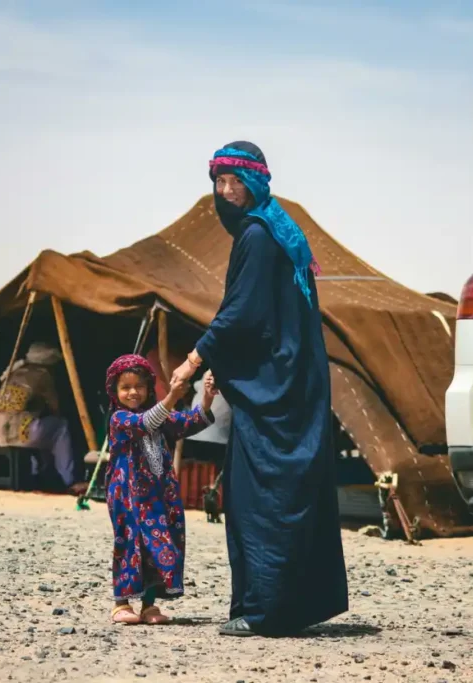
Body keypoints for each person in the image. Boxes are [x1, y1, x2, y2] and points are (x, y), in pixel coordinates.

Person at [171, 141, 348, 637]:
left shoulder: (256, 234)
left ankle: (267, 611)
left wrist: (192, 361)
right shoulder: (279, 226)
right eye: (219, 183)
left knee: (260, 495)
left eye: (236, 182)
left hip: (278, 389)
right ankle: (291, 606)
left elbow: (241, 314)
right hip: (294, 379)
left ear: (257, 182)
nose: (227, 193)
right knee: (289, 488)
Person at [105, 354, 217, 625]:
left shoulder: (161, 416)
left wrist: (207, 397)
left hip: (158, 496)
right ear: (115, 391)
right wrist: (172, 397)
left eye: (139, 387)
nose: (133, 392)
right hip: (127, 496)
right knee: (130, 543)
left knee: (159, 544)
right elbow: (144, 424)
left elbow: (191, 422)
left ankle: (148, 605)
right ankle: (121, 603)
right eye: (125, 387)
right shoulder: (119, 418)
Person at [0, 341, 86, 494]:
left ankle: (36, 474)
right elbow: (55, 407)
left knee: (42, 429)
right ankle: (70, 480)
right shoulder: (42, 375)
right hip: (19, 434)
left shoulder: (13, 372)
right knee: (60, 428)